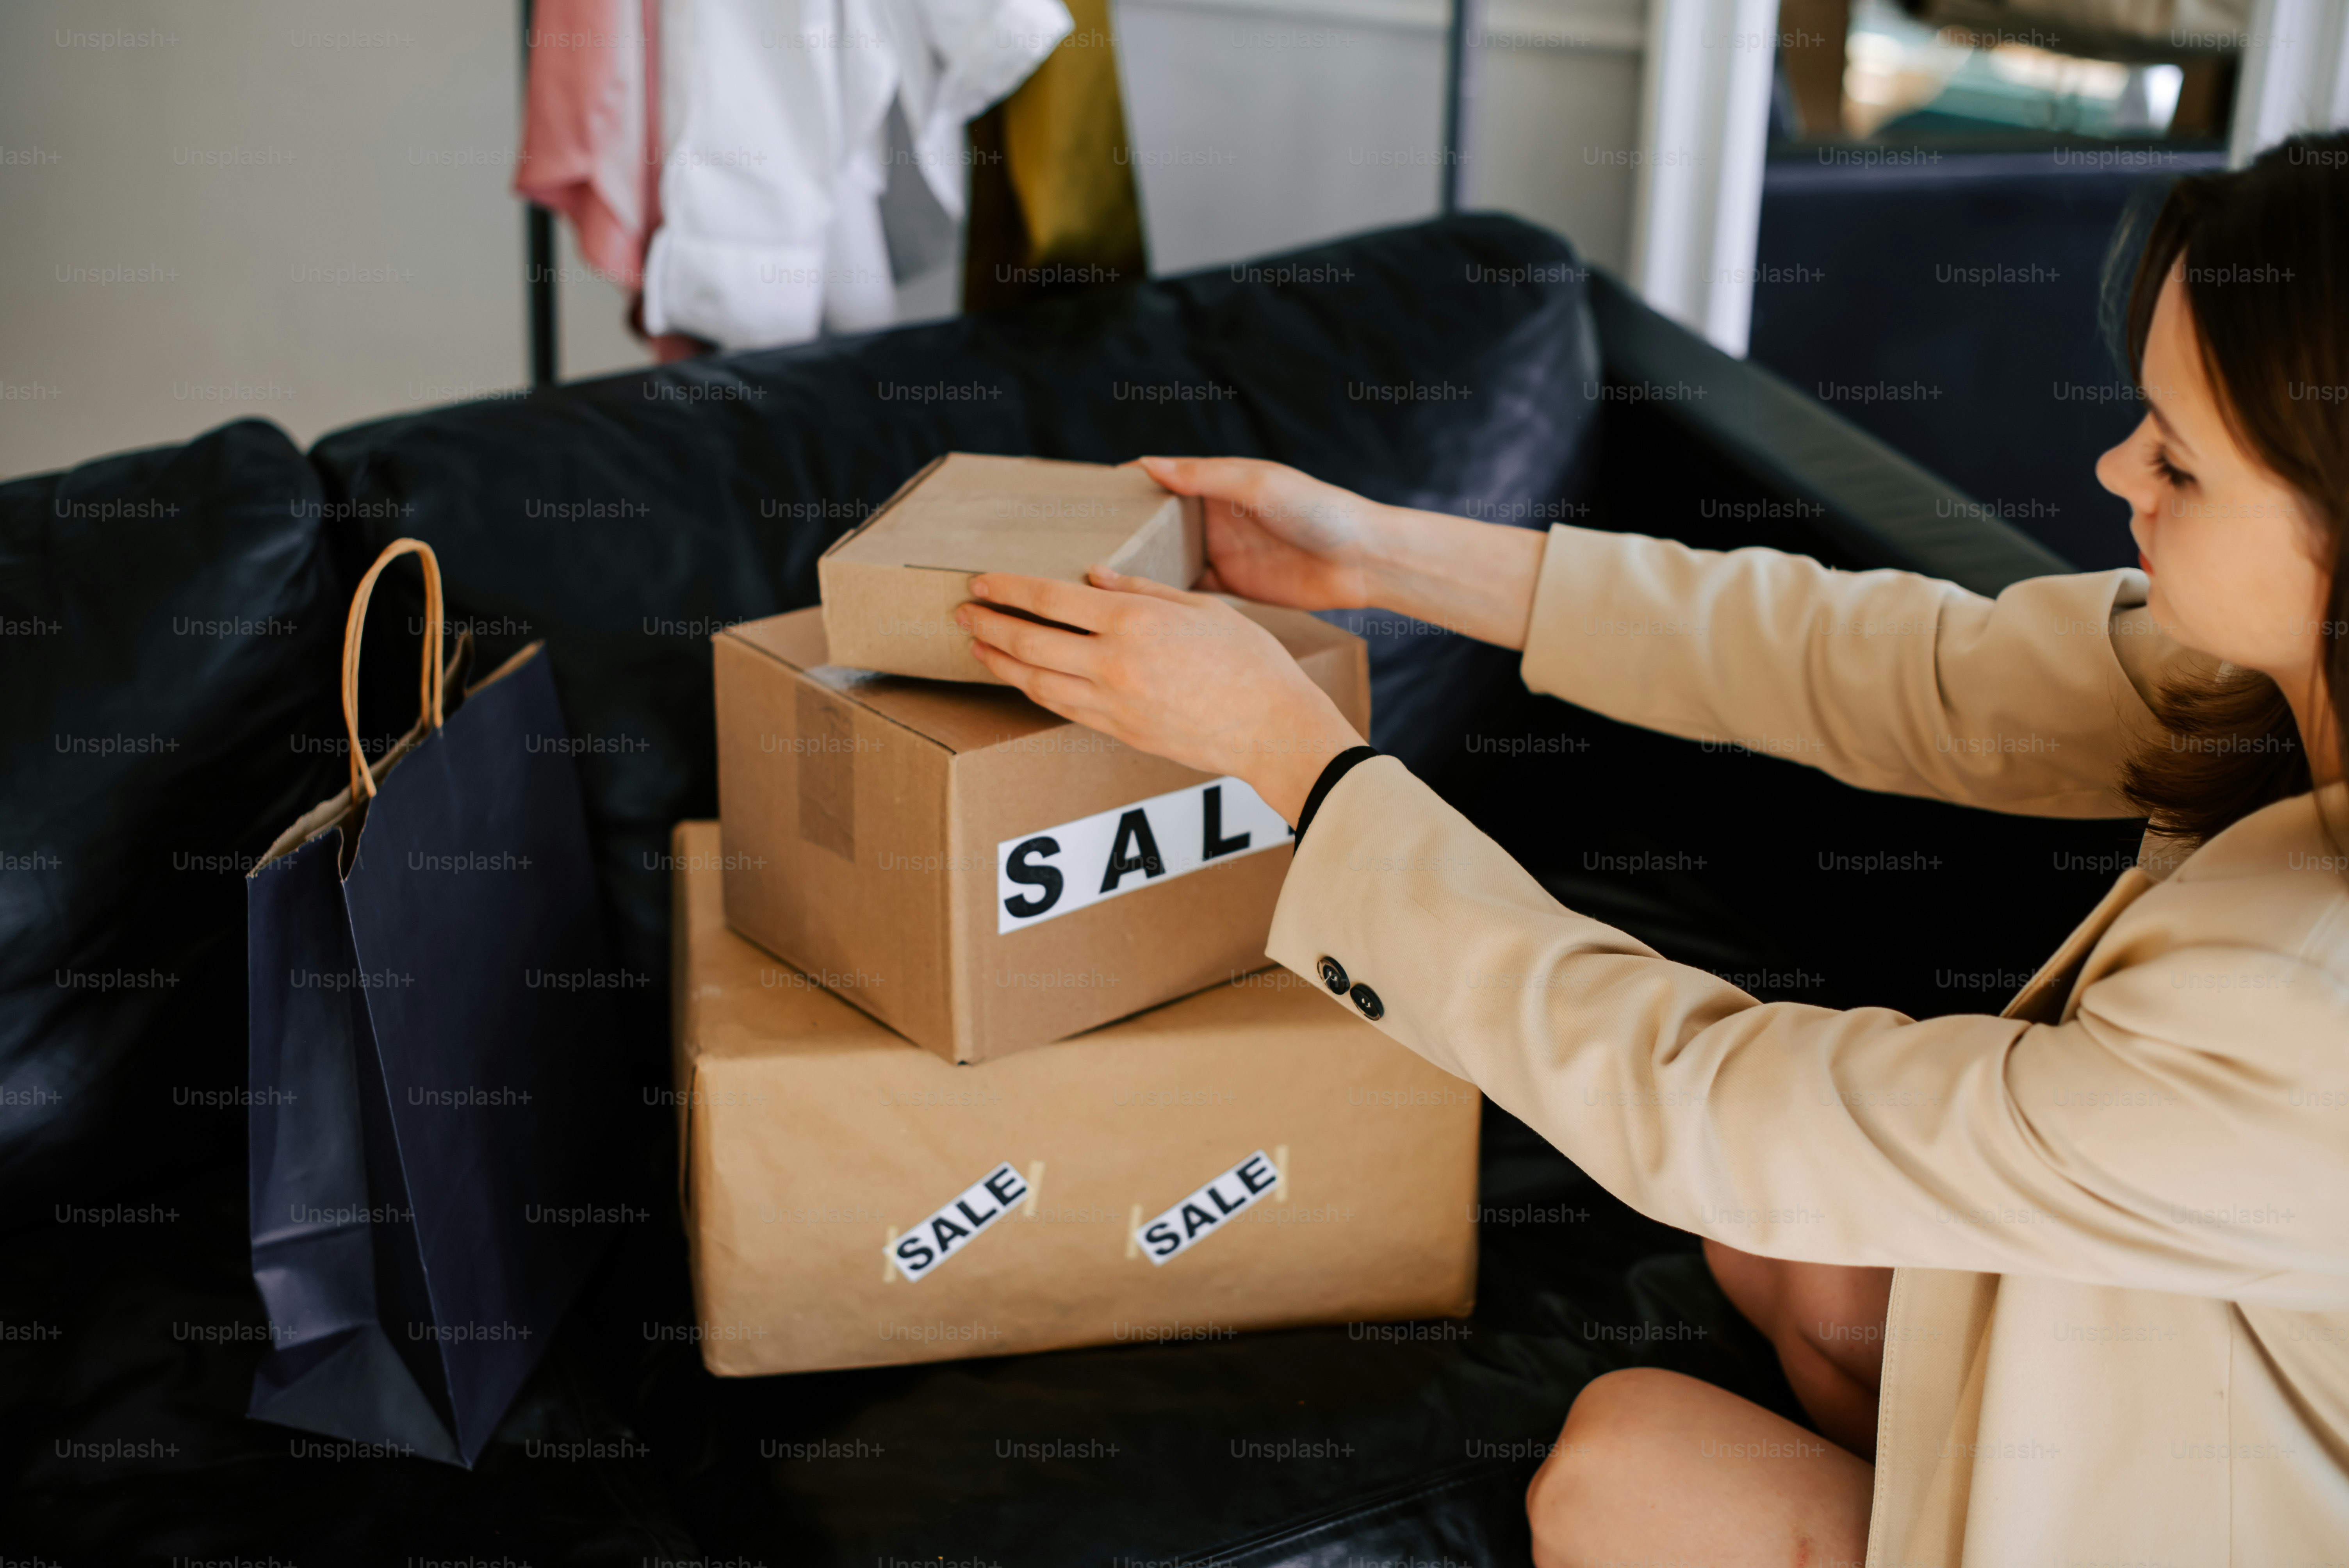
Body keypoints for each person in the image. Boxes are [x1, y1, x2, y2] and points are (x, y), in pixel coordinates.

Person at [952, 134, 2349, 1564]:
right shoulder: (2271, 676)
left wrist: (1294, 760)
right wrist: (1379, 554)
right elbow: (1897, 665)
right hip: (2180, 1340)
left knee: (1629, 1468)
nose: (2118, 466)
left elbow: (1710, 1105)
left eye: (2179, 459)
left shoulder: (2308, 1019)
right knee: (1784, 1255)